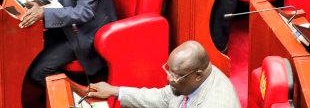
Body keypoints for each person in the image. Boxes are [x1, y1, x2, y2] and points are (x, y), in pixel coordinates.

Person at [85, 41, 241, 108]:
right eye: (169, 71)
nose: (168, 78)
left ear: (198, 75)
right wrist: (116, 91)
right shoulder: (193, 78)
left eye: (175, 76)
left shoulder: (217, 104)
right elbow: (164, 97)